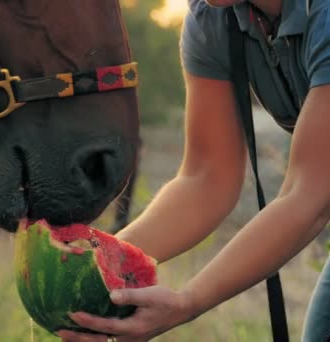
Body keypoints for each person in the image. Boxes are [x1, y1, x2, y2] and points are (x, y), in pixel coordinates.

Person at [56, 0, 330, 341]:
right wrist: (93, 263)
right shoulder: (213, 17)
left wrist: (188, 301)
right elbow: (206, 180)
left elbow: (310, 196)